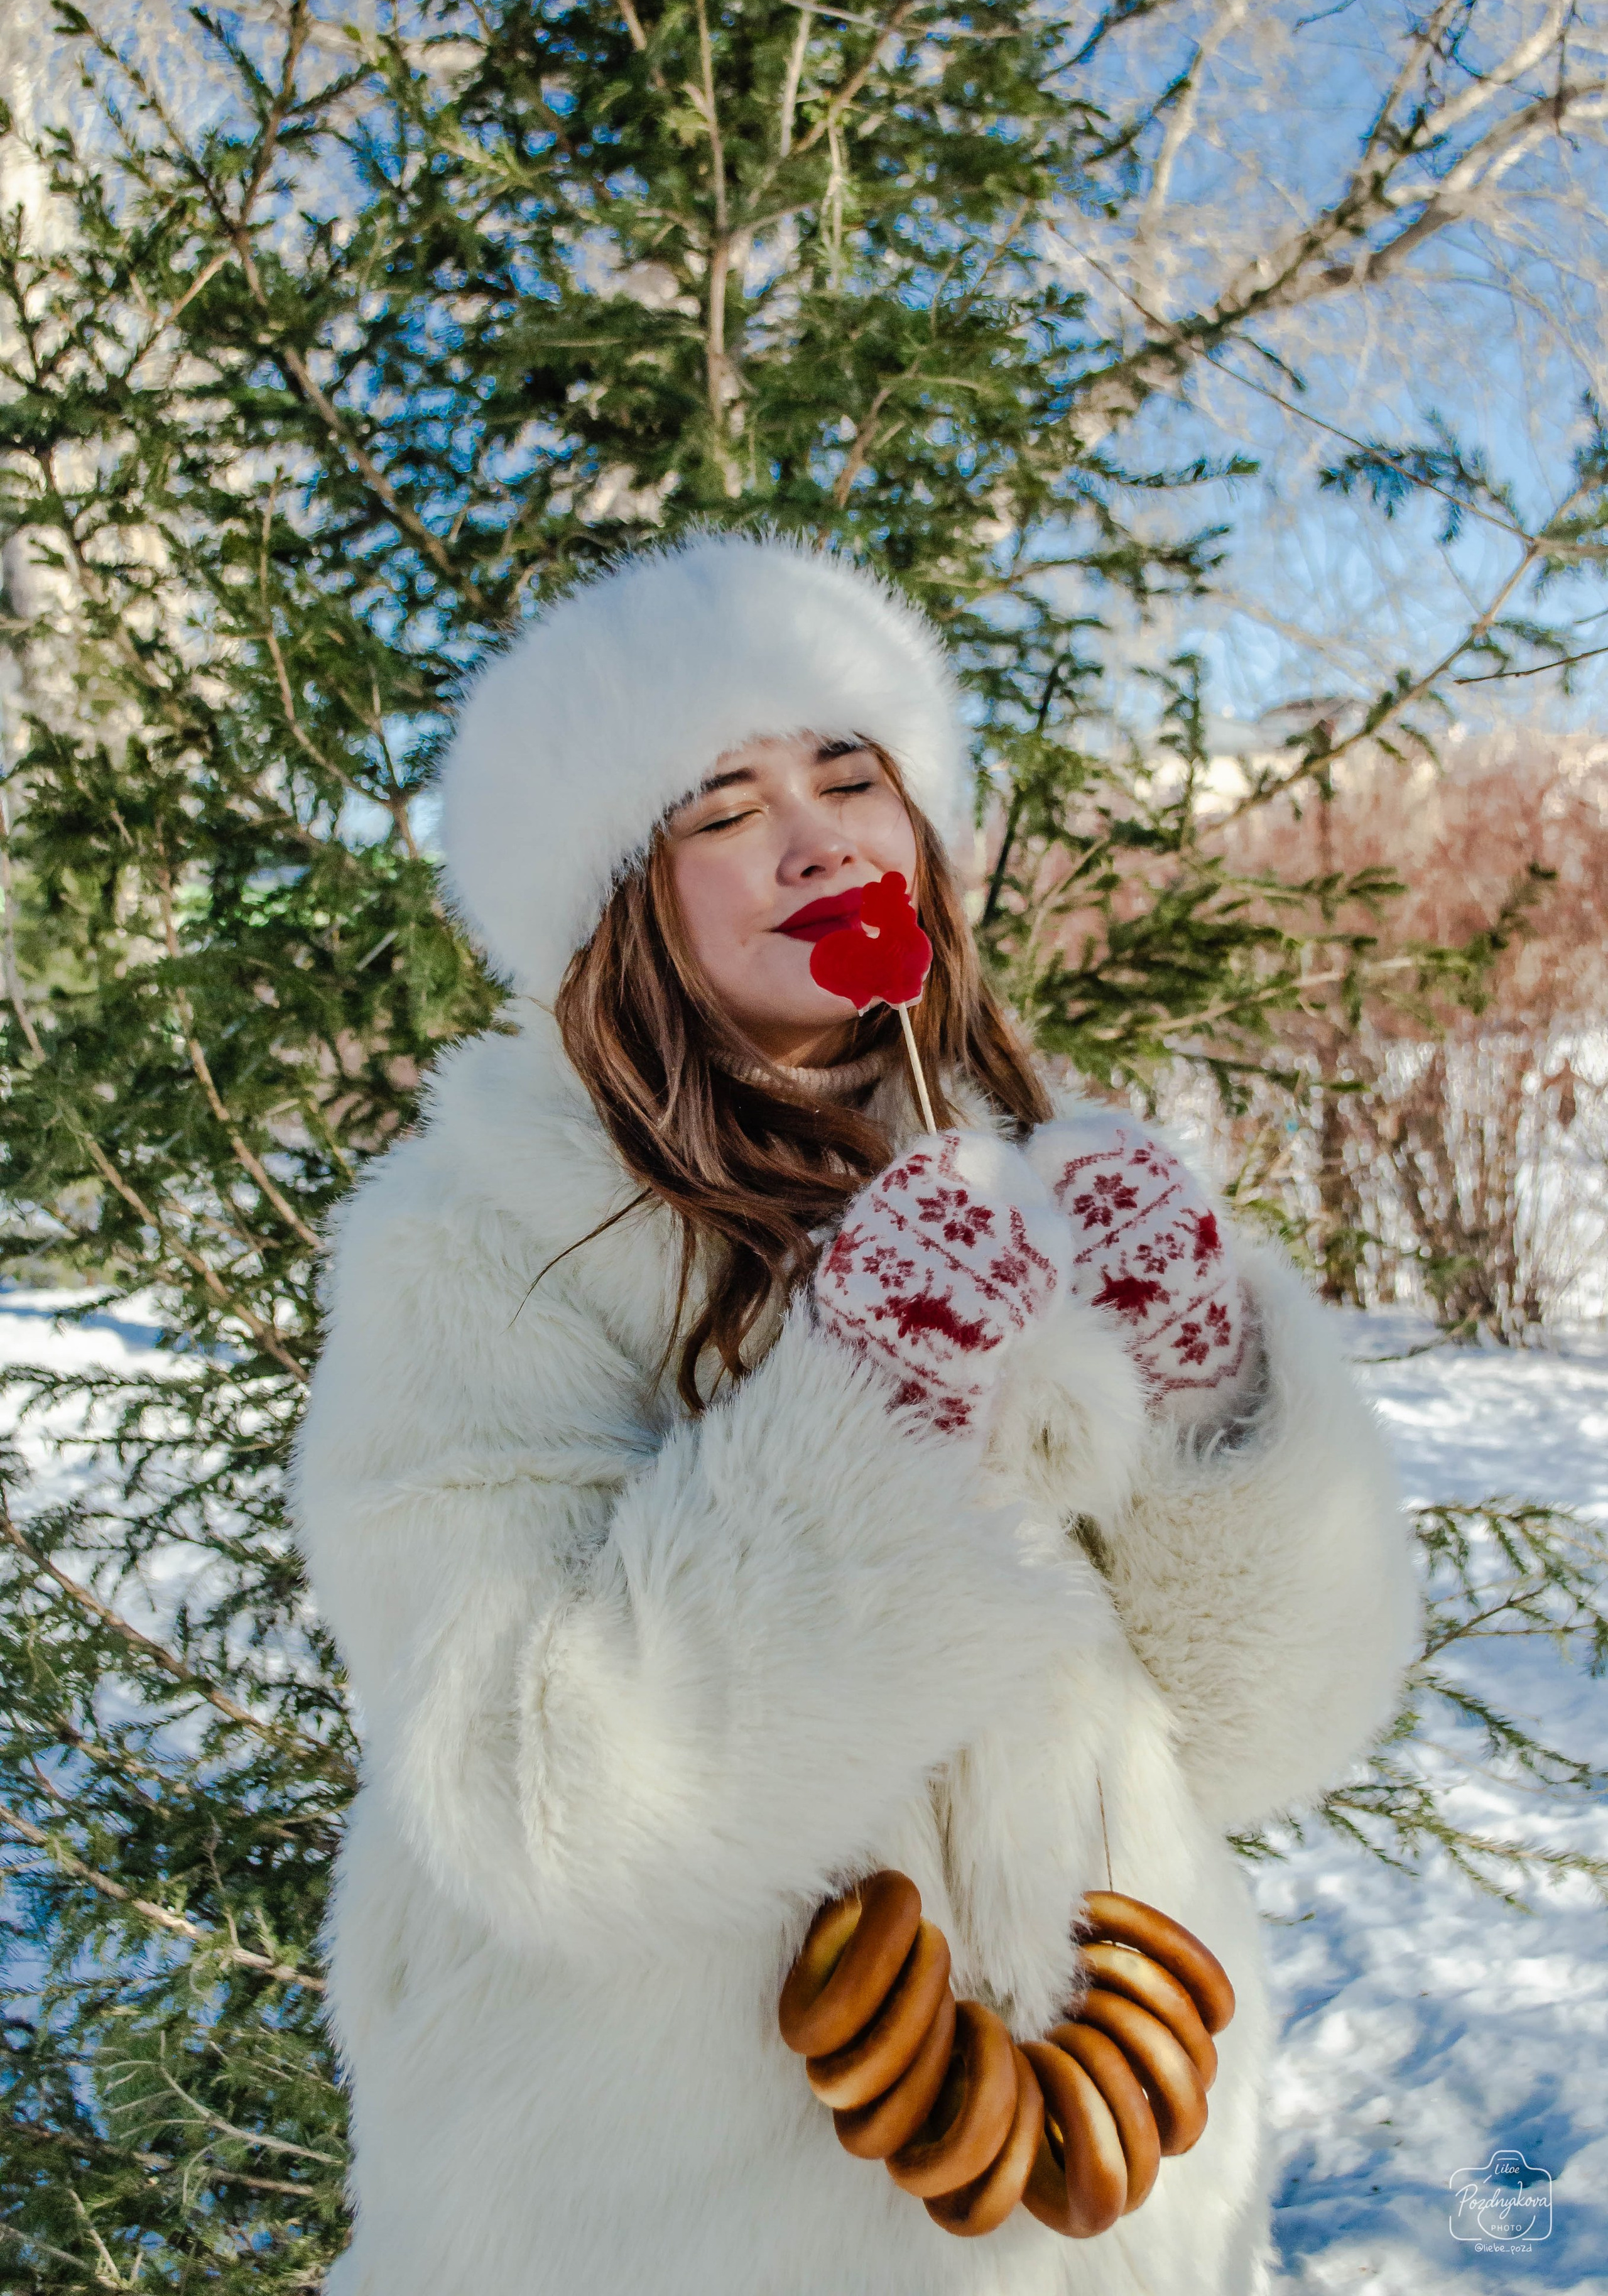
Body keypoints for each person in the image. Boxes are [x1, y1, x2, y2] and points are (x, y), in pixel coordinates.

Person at [293, 533, 1420, 2296]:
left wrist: (1213, 1402)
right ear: (612, 899)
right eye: (722, 804)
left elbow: (1271, 1730)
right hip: (658, 2219)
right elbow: (526, 1788)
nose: (815, 834)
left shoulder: (1049, 1184)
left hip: (1108, 2187)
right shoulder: (472, 1245)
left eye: (848, 773)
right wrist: (864, 1414)